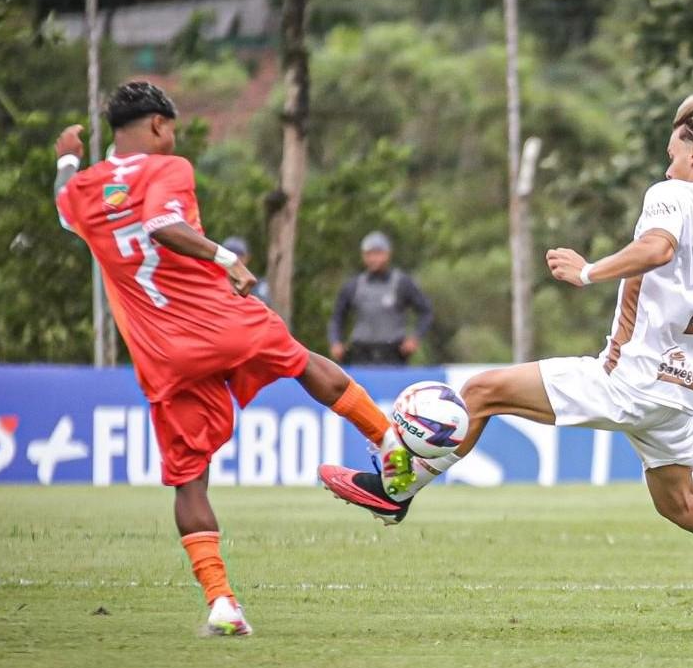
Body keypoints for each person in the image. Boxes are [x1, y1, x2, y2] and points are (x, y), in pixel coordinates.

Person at [319, 88, 693, 636]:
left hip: (627, 380)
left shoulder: (672, 196)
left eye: (670, 155)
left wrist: (588, 272)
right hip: (680, 397)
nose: (666, 167)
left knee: (483, 391)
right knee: (681, 504)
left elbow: (658, 247)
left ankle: (396, 491)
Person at [53, 81, 398, 636]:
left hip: (160, 353)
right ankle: (390, 443)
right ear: (159, 126)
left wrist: (68, 155)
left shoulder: (86, 189)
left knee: (190, 483)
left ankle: (222, 603)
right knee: (302, 362)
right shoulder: (167, 168)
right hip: (217, 321)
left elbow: (63, 203)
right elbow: (162, 225)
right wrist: (225, 257)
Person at [328, 231, 433, 365]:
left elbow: (426, 312)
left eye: (378, 253)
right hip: (360, 355)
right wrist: (335, 342)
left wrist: (414, 338)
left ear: (388, 254)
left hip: (393, 356)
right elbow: (337, 317)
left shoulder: (402, 283)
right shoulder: (354, 285)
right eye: (369, 254)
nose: (373, 259)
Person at [220, 235, 272, 305]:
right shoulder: (213, 281)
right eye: (228, 255)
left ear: (247, 258)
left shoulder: (258, 285)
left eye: (239, 256)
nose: (235, 261)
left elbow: (262, 307)